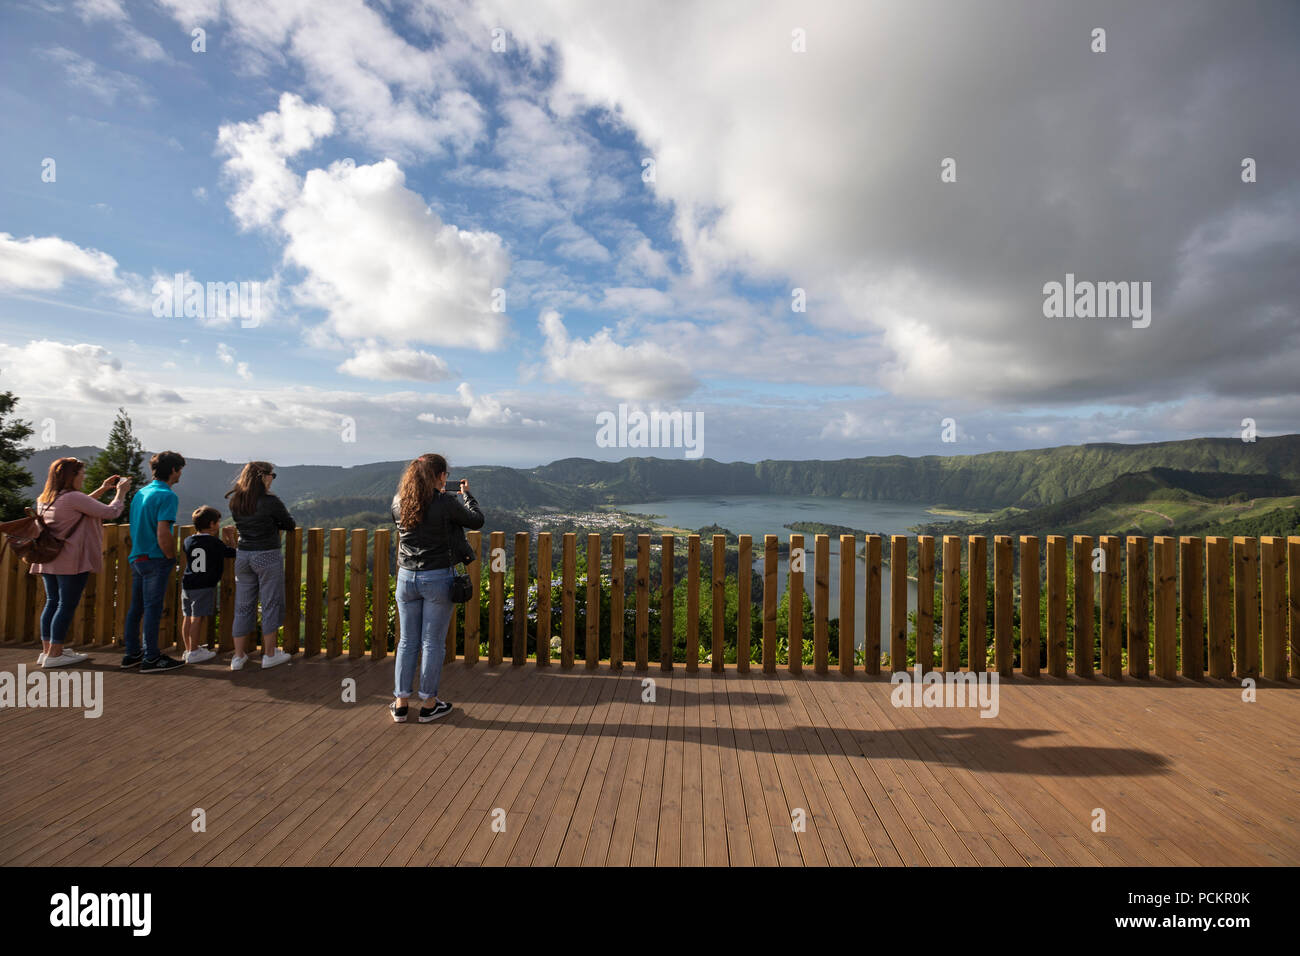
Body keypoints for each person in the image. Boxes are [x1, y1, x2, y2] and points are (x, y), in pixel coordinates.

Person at [389, 453, 483, 723]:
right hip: (437, 577)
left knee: (407, 641)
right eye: (445, 475)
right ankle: (429, 704)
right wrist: (468, 496)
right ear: (440, 476)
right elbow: (476, 520)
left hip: (406, 578)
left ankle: (401, 702)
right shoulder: (445, 502)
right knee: (431, 642)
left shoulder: (398, 502)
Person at [29, 457, 132, 667]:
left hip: (48, 557)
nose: (83, 477)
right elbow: (111, 512)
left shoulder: (45, 498)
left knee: (52, 603)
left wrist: (102, 489)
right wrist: (121, 492)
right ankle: (56, 655)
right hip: (71, 560)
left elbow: (81, 506)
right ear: (72, 476)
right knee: (66, 605)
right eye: (81, 474)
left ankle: (48, 651)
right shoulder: (74, 498)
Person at [225, 461, 295, 671]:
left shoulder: (236, 500)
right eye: (272, 475)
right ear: (263, 476)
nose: (272, 479)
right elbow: (289, 524)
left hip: (243, 556)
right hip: (267, 555)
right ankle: (270, 654)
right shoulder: (270, 501)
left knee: (243, 605)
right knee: (270, 603)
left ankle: (238, 657)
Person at [121, 451, 187, 673]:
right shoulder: (167, 496)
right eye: (180, 470)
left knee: (136, 608)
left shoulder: (141, 493)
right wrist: (171, 557)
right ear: (173, 470)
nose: (180, 475)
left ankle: (132, 654)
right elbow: (163, 532)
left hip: (137, 556)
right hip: (155, 558)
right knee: (152, 609)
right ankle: (151, 658)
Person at [180, 505, 236, 664]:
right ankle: (194, 652)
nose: (219, 525)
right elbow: (232, 553)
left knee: (187, 617)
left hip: (188, 583)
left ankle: (188, 648)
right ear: (212, 524)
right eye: (218, 522)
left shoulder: (188, 540)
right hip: (204, 585)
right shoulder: (214, 543)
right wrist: (229, 537)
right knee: (197, 618)